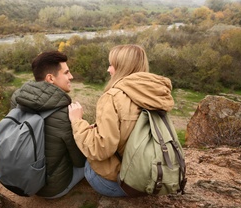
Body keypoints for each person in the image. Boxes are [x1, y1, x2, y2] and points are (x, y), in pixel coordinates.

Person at [68, 44, 174, 197]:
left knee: (88, 163)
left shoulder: (112, 98)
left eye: (111, 65)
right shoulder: (156, 93)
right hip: (155, 178)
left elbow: (100, 149)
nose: (108, 69)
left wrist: (77, 122)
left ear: (122, 67)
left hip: (124, 184)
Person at [11, 50, 86, 199]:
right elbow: (79, 161)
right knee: (95, 162)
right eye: (66, 73)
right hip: (51, 189)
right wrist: (78, 123)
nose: (71, 77)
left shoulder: (18, 98)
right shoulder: (65, 113)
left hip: (23, 181)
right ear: (50, 78)